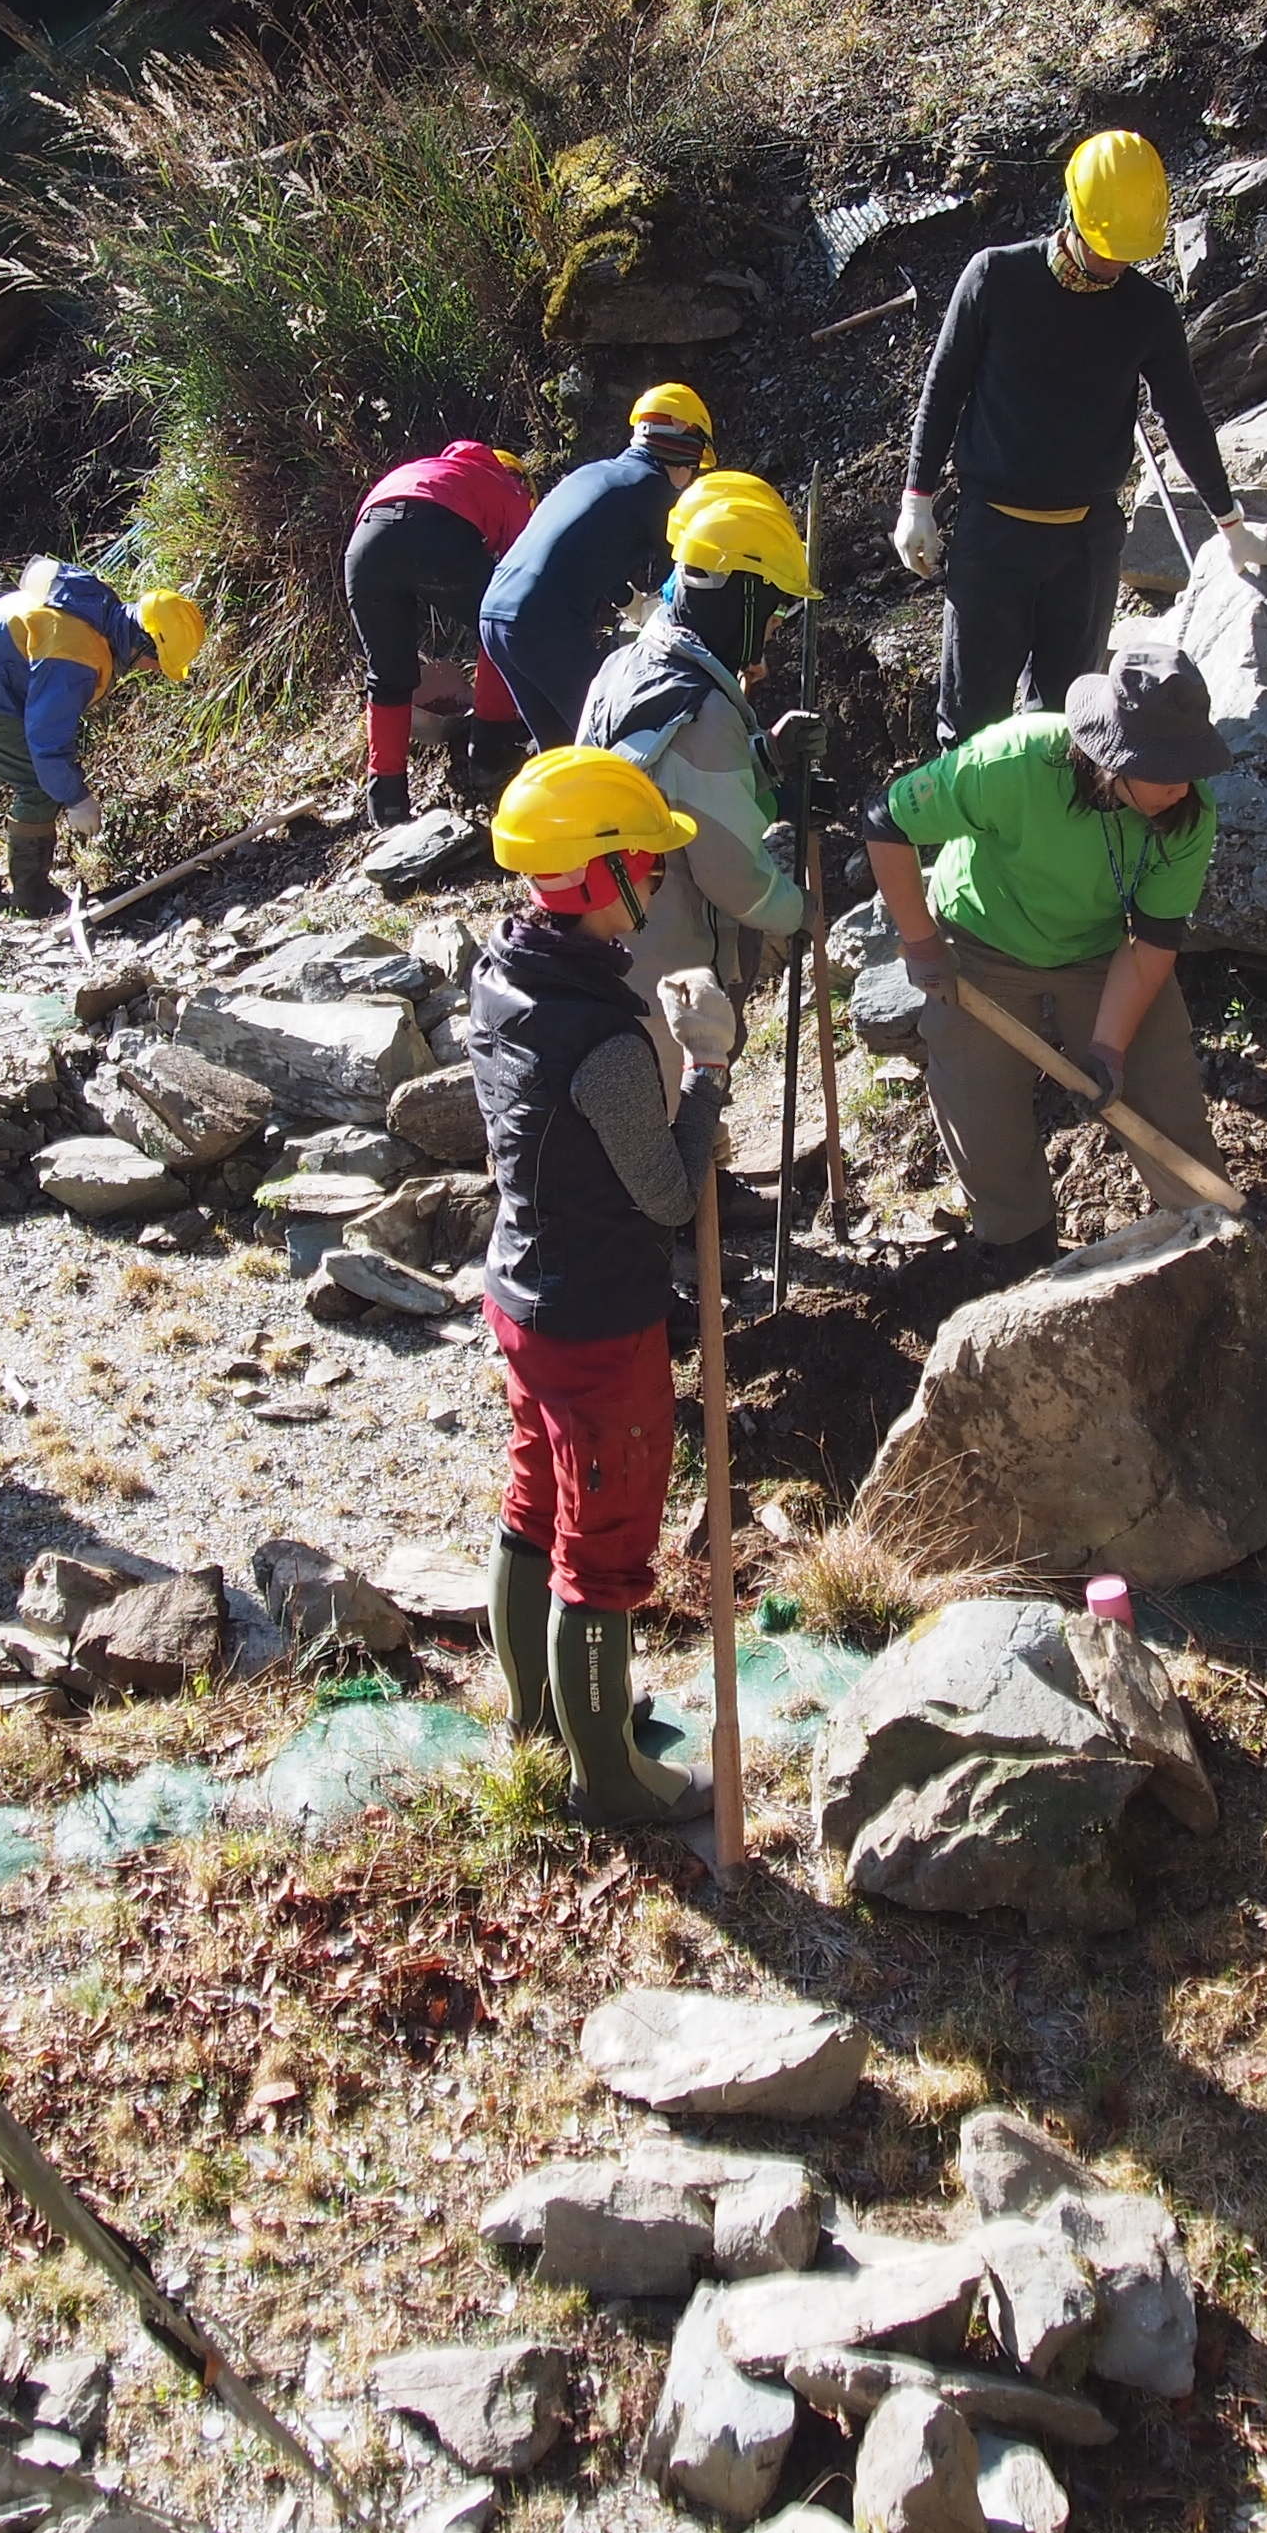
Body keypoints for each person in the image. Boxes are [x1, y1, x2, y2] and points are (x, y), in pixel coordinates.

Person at [466, 747, 739, 1828]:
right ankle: (611, 1779)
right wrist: (707, 1067)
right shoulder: (607, 1042)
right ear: (597, 878)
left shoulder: (504, 973)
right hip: (597, 1319)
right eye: (648, 866)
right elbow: (670, 1197)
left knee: (536, 1504)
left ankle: (546, 1719)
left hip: (522, 1292)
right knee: (605, 1543)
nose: (662, 881)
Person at [892, 130, 1267, 744]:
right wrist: (915, 503)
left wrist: (1231, 527)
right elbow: (942, 391)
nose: (1115, 265)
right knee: (971, 730)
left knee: (1065, 729)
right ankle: (963, 840)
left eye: (1128, 254)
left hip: (1087, 544)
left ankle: (1046, 840)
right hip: (993, 538)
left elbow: (1183, 416)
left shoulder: (1146, 310)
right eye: (1107, 248)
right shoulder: (996, 278)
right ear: (1072, 212)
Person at [860, 645, 1227, 1280]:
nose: (1178, 786)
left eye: (1187, 767)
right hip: (981, 945)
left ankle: (1216, 1246)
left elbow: (1151, 945)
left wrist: (1109, 1049)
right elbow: (884, 819)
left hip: (1101, 953)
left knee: (1160, 1096)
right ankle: (1021, 1258)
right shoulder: (1013, 760)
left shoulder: (1189, 816)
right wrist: (922, 944)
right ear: (1110, 754)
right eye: (1162, 770)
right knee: (982, 1115)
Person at [580, 476, 816, 1004]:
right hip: (671, 974)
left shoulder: (624, 667)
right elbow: (731, 875)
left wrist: (766, 755)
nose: (775, 630)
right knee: (686, 1083)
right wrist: (798, 911)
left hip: (613, 941)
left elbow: (673, 784)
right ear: (743, 601)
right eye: (775, 613)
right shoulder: (702, 712)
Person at [0, 564, 199, 913]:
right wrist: (76, 798)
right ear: (142, 642)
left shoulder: (97, 608)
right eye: (157, 661)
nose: (154, 670)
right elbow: (46, 740)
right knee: (38, 786)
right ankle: (31, 893)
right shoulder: (75, 655)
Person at [480, 382, 713, 760]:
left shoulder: (594, 475)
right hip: (542, 623)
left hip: (495, 612)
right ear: (685, 451)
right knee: (607, 741)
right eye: (694, 469)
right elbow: (691, 576)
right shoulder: (653, 489)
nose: (691, 479)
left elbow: (579, 553)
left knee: (559, 751)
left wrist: (631, 601)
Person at [344, 438, 534, 826]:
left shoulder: (432, 470)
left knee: (389, 675)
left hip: (366, 545)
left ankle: (387, 802)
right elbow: (525, 573)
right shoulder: (507, 486)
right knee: (501, 624)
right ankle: (490, 753)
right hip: (433, 532)